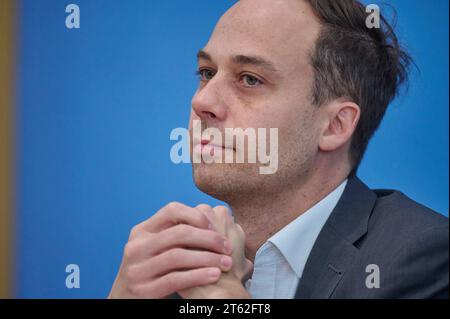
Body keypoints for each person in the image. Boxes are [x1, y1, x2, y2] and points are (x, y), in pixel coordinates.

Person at [109, 0, 449, 299]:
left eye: (250, 79)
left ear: (335, 126)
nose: (202, 101)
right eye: (206, 72)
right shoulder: (177, 272)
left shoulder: (423, 258)